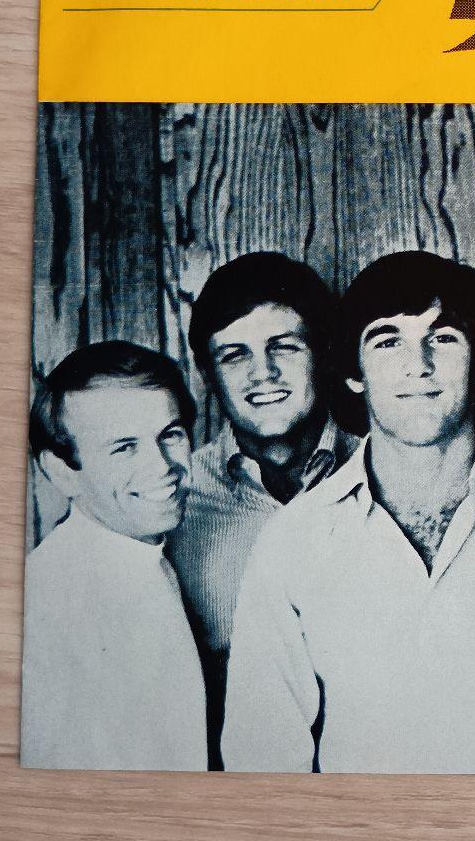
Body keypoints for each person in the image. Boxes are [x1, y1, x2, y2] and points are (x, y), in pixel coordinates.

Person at [221, 251, 475, 775]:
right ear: (352, 372)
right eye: (387, 341)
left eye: (443, 337)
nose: (418, 364)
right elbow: (264, 759)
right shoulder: (293, 539)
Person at [167, 252, 357, 767]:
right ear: (207, 375)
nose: (263, 373)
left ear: (325, 353)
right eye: (234, 355)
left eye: (284, 346)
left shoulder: (386, 476)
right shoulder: (173, 503)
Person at [22, 341, 206, 770]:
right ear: (61, 472)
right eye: (124, 447)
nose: (162, 467)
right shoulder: (47, 604)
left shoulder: (143, 556)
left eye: (171, 435)